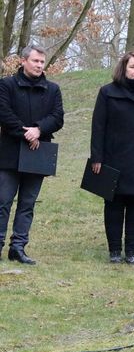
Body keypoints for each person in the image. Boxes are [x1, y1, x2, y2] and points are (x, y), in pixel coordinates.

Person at [90, 51, 134, 264]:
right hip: (114, 157)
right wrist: (97, 157)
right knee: (113, 204)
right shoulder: (107, 92)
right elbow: (98, 127)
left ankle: (131, 250)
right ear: (124, 68)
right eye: (133, 67)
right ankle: (114, 250)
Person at [0, 45, 64, 265]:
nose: (39, 65)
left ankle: (18, 247)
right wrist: (26, 133)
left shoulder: (53, 89)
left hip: (38, 154)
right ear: (23, 61)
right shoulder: (6, 85)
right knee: (3, 201)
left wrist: (39, 129)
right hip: (9, 153)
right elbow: (4, 113)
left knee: (27, 204)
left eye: (41, 62)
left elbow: (57, 117)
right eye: (35, 61)